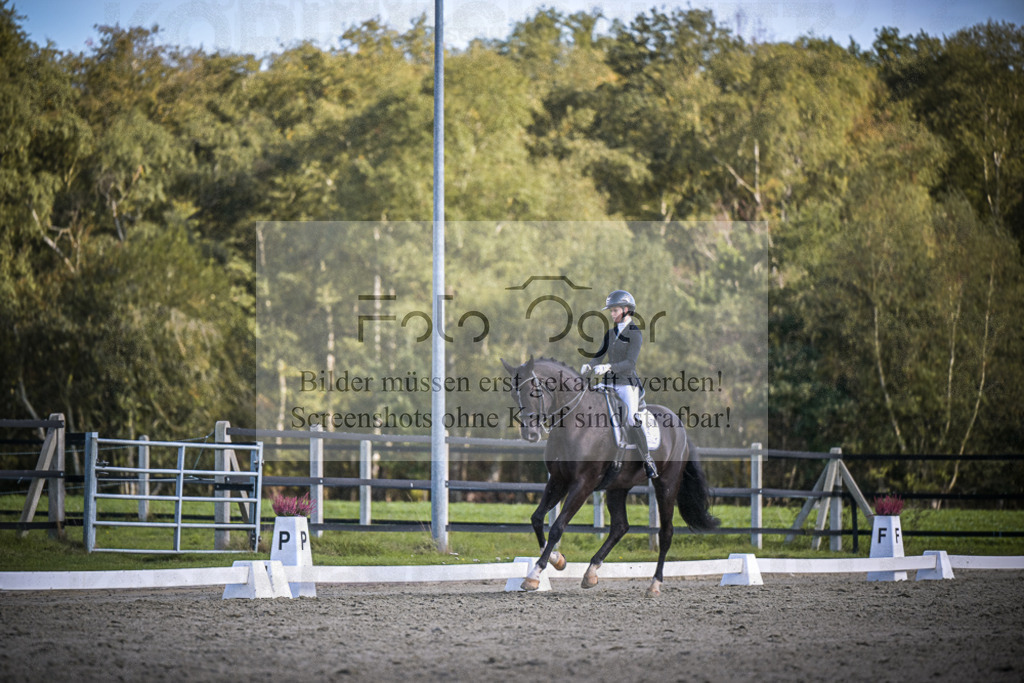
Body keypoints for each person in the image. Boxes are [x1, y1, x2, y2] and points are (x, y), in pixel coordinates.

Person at [581, 290, 657, 479]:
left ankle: (647, 459)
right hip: (608, 384)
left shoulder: (635, 333)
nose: (612, 314)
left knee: (631, 418)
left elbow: (630, 363)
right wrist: (589, 365)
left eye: (615, 310)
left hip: (626, 384)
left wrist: (608, 367)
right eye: (611, 311)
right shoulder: (610, 333)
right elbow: (599, 355)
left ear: (626, 310)